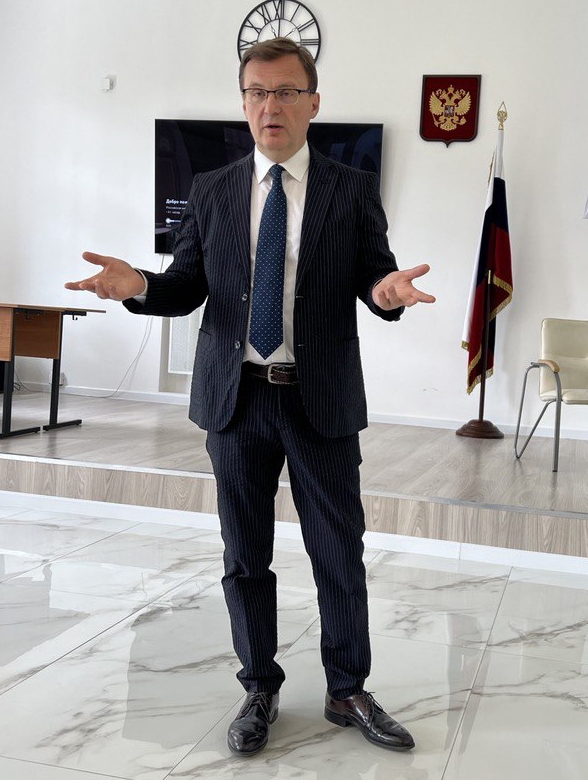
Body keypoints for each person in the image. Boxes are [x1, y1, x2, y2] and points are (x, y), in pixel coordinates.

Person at [65, 38, 435, 757]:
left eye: (287, 91)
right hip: (236, 402)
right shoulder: (212, 189)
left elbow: (376, 275)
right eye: (258, 92)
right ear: (243, 104)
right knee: (245, 556)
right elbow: (185, 287)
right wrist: (140, 285)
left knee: (339, 552)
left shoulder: (351, 188)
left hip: (320, 400)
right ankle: (259, 685)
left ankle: (347, 688)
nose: (272, 105)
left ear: (313, 103)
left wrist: (386, 293)